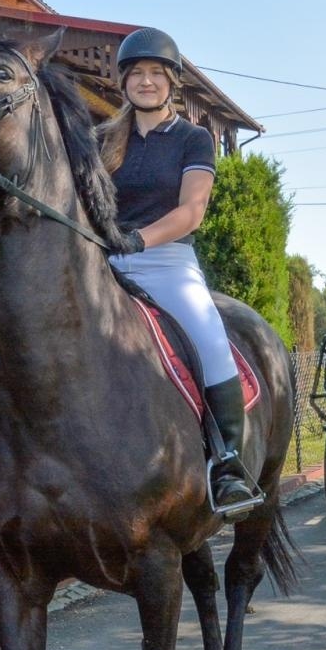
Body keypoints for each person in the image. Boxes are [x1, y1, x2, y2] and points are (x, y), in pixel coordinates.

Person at [98, 26, 263, 519]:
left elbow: (192, 211)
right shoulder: (102, 138)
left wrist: (138, 239)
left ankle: (229, 462)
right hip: (102, 258)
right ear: (124, 82)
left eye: (156, 73)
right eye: (137, 73)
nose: (146, 82)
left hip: (165, 260)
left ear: (172, 82)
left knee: (209, 336)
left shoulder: (193, 139)